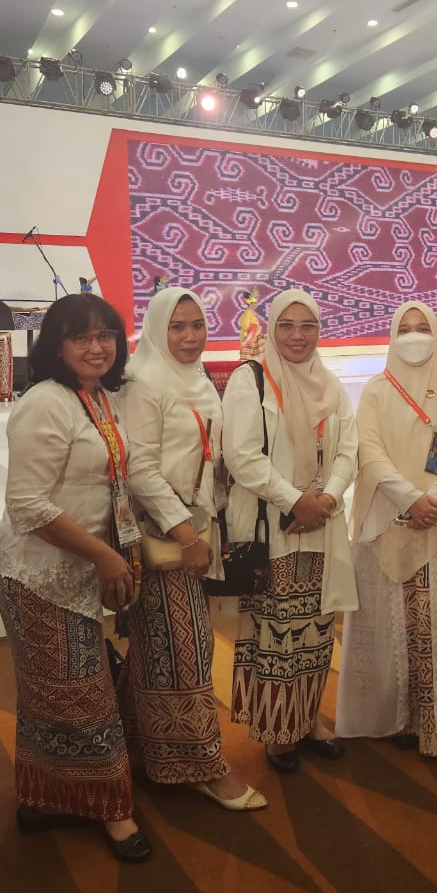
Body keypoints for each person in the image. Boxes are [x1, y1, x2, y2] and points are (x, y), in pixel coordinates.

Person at [0, 295, 151, 862]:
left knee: (50, 697)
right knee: (84, 698)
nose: (96, 347)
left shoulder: (99, 398)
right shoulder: (45, 403)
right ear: (56, 347)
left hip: (80, 569)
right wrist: (105, 557)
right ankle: (112, 810)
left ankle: (45, 798)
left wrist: (117, 553)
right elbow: (28, 506)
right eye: (81, 337)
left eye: (105, 335)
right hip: (40, 575)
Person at [120, 287, 266, 809]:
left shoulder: (197, 379)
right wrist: (184, 534)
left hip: (196, 530)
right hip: (166, 538)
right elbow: (140, 470)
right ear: (157, 330)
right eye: (176, 327)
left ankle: (142, 750)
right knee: (187, 650)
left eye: (197, 325)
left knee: (162, 646)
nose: (189, 336)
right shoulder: (143, 384)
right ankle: (202, 764)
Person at [336, 301, 437, 757]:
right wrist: (409, 498)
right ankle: (396, 718)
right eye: (405, 329)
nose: (415, 336)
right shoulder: (376, 391)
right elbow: (369, 451)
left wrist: (436, 498)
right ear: (392, 334)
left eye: (423, 327)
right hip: (389, 520)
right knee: (392, 624)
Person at [222, 288, 358, 774]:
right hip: (275, 530)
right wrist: (295, 500)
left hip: (321, 525)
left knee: (317, 631)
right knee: (278, 635)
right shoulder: (250, 380)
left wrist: (328, 499)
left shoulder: (330, 383)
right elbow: (241, 456)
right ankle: (279, 730)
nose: (298, 336)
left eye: (308, 326)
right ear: (272, 328)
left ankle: (308, 718)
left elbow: (348, 450)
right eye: (287, 325)